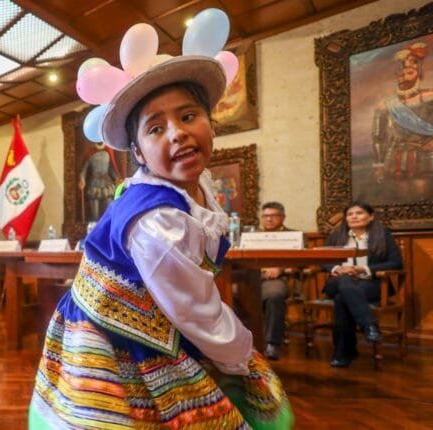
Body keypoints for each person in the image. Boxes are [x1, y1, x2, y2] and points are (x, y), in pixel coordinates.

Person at [28, 44, 293, 428]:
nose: (178, 133)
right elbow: (192, 309)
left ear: (210, 123)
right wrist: (241, 355)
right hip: (115, 336)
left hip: (155, 318)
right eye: (156, 127)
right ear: (138, 151)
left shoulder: (194, 185)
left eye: (189, 116)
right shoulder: (157, 220)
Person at [322, 201, 403, 367]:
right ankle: (369, 325)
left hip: (369, 283)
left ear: (371, 216)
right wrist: (339, 268)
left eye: (359, 213)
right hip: (336, 281)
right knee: (344, 283)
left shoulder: (382, 235)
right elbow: (322, 261)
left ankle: (343, 352)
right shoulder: (337, 236)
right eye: (350, 214)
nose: (354, 217)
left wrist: (363, 269)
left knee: (342, 299)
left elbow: (395, 263)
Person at [372, 42, 433, 182]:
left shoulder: (430, 97)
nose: (404, 77)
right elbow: (377, 137)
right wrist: (379, 164)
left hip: (427, 156)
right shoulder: (385, 105)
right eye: (401, 73)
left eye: (410, 72)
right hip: (395, 158)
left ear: (419, 74)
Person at [258, 201, 294, 360]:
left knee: (274, 295)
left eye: (273, 216)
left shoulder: (294, 236)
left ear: (283, 217)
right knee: (230, 294)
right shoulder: (252, 236)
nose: (269, 219)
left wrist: (281, 269)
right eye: (266, 216)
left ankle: (272, 343)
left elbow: (302, 263)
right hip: (253, 277)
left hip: (278, 278)